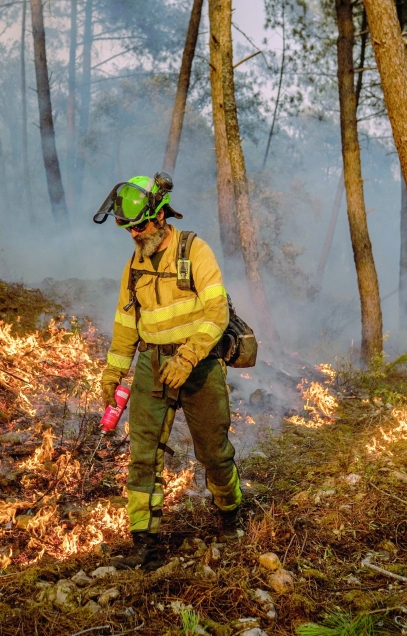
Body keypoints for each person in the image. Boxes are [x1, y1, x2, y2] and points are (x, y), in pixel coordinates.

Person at [93, 173, 242, 570]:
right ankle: (144, 545)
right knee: (142, 455)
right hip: (152, 366)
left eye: (139, 225)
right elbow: (126, 325)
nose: (133, 234)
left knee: (213, 451)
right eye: (127, 228)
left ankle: (231, 515)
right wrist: (113, 373)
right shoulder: (135, 265)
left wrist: (189, 356)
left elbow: (217, 312)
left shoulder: (195, 250)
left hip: (199, 365)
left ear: (160, 216)